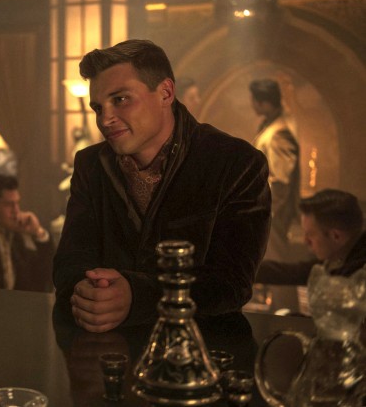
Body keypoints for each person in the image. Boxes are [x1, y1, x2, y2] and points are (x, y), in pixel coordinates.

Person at [53, 39, 271, 333]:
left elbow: (231, 284)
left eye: (120, 99)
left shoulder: (235, 162)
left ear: (166, 93)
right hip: (106, 345)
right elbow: (69, 263)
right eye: (97, 107)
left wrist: (137, 296)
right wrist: (90, 291)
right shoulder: (90, 164)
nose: (105, 119)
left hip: (202, 345)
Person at [256, 189, 366, 285]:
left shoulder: (358, 273)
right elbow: (294, 272)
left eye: (310, 234)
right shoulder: (343, 256)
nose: (305, 241)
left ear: (336, 236)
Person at [250, 78, 300, 261]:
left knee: (275, 262)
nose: (252, 104)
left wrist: (266, 213)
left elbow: (280, 181)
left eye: (253, 100)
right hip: (266, 209)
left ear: (262, 102)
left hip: (273, 213)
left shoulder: (279, 133)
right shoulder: (271, 125)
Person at [0, 174, 55, 292]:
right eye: (9, 204)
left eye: (17, 203)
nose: (16, 211)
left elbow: (42, 277)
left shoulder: (15, 234)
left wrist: (37, 232)